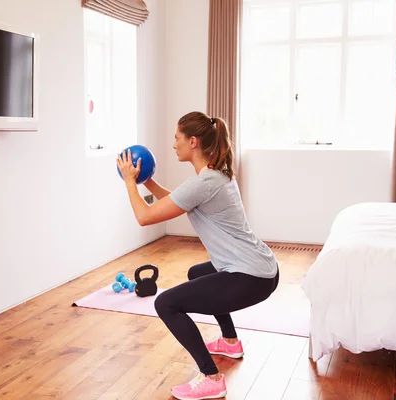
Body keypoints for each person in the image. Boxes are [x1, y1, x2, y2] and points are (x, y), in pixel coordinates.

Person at [116, 111, 279, 400]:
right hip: (260, 267)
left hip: (251, 276)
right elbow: (179, 199)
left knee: (167, 303)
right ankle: (229, 342)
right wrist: (147, 181)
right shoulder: (214, 175)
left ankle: (211, 377)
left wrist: (130, 180)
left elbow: (145, 216)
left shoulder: (204, 183)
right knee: (197, 274)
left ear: (192, 142)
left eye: (176, 138)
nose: (173, 144)